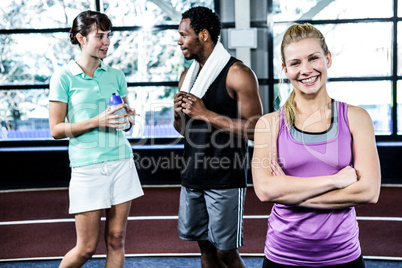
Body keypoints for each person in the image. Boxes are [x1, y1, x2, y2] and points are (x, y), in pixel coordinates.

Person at [252, 23, 381, 267]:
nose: (306, 70)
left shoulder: (356, 118)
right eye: (295, 63)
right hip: (283, 256)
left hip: (343, 256)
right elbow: (266, 190)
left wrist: (289, 194)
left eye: (313, 58)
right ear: (285, 69)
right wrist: (334, 181)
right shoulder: (268, 124)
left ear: (328, 58)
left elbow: (369, 192)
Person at [48, 10, 143, 268]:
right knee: (86, 248)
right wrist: (96, 121)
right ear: (80, 38)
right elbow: (56, 129)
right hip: (87, 168)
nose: (107, 42)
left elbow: (124, 123)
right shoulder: (63, 77)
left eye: (108, 36)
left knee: (116, 239)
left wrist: (128, 118)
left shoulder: (116, 75)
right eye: (99, 36)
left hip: (122, 162)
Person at [173, 6, 263, 268]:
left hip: (224, 178)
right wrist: (178, 114)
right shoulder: (186, 78)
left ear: (203, 35)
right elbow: (183, 130)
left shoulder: (238, 74)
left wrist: (205, 113)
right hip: (193, 175)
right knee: (205, 248)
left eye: (184, 35)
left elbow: (256, 129)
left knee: (225, 252)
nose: (179, 41)